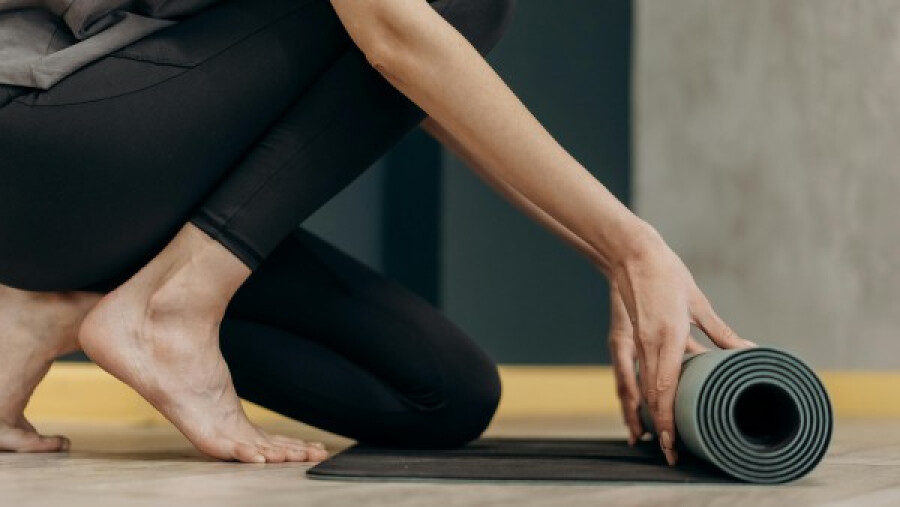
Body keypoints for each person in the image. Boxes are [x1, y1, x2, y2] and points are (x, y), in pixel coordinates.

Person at [0, 0, 755, 465]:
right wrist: (631, 246)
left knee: (440, 392)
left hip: (107, 176)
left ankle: (53, 308)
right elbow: (398, 37)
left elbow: (407, 73)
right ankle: (172, 307)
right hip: (39, 142)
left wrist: (617, 259)